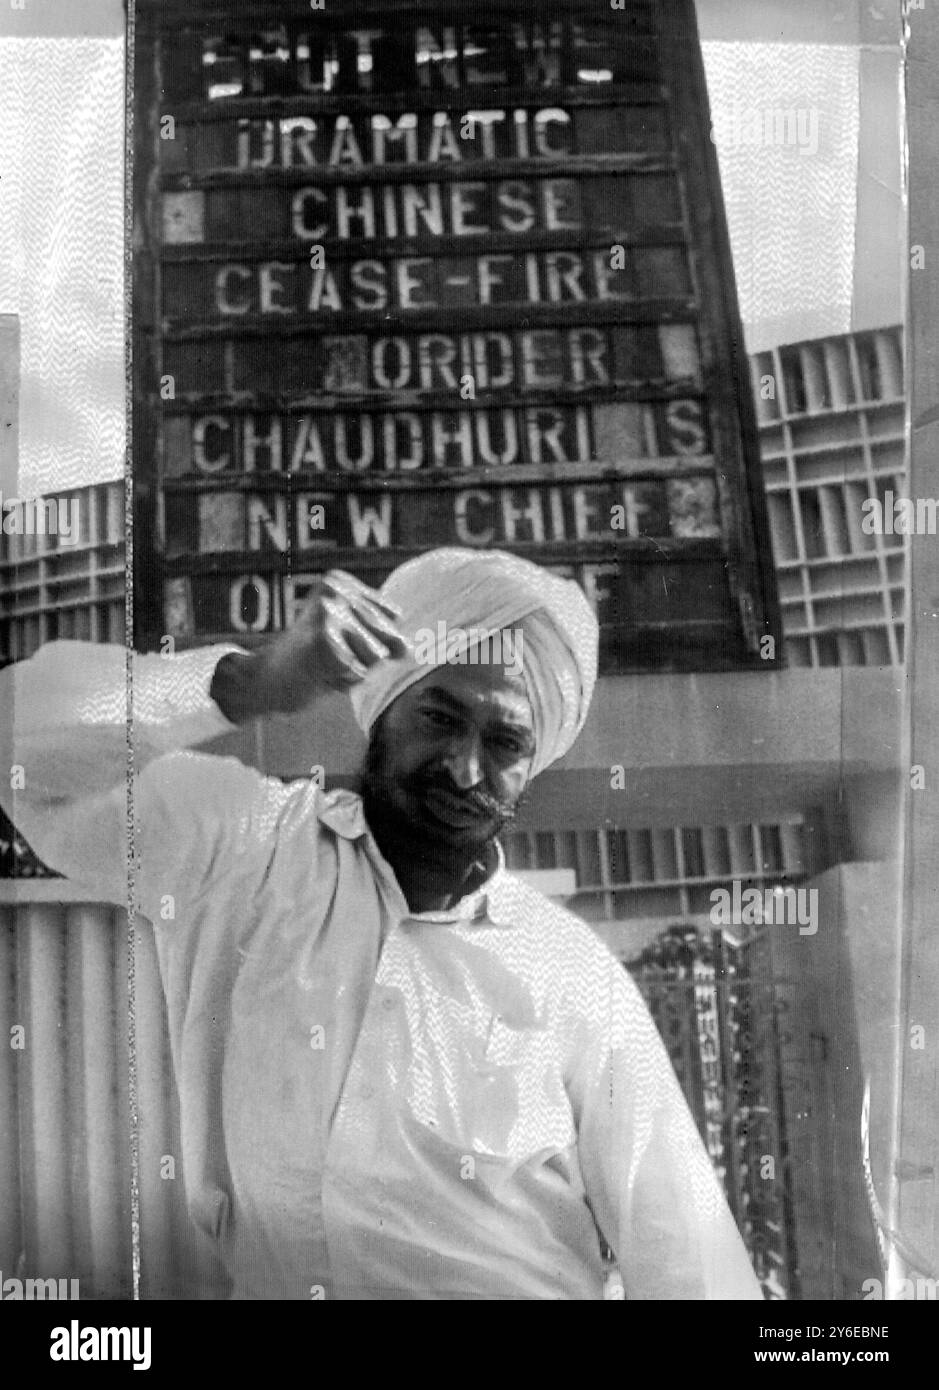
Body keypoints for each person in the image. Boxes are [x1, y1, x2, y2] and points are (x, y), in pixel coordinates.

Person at [0, 547, 762, 1300]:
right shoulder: (243, 853)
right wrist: (252, 680)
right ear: (382, 707)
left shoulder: (570, 971)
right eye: (439, 717)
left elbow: (688, 1259)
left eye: (504, 744)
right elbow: (18, 751)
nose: (465, 769)